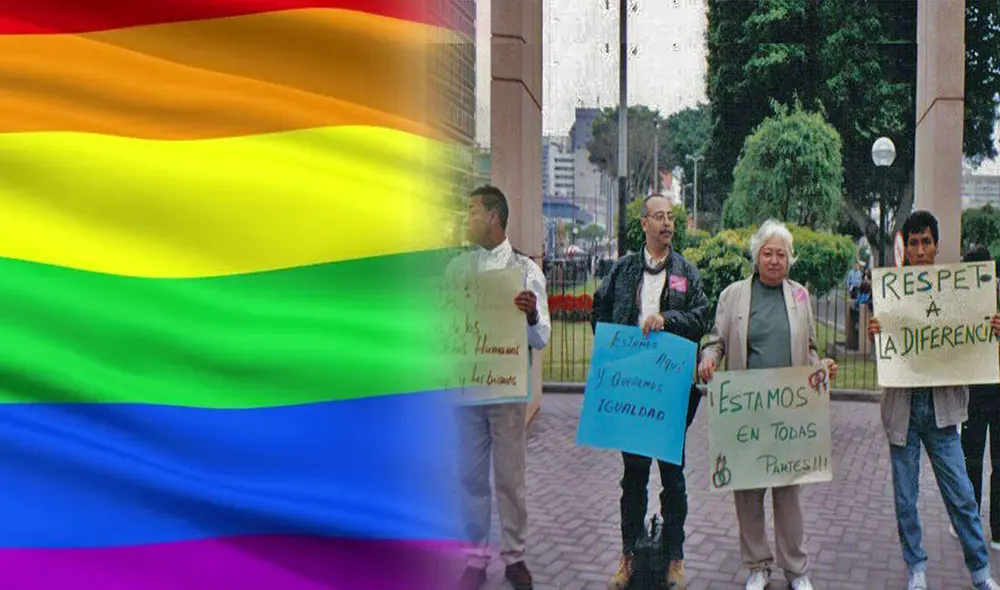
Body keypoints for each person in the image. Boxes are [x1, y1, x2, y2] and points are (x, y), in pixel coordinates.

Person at [698, 220, 838, 590]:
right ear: (756, 255)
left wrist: (819, 367)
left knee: (789, 494)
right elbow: (716, 341)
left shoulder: (800, 297)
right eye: (768, 253)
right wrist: (709, 358)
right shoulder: (733, 296)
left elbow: (809, 348)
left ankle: (796, 569)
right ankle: (758, 565)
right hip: (746, 412)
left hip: (788, 413)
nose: (774, 260)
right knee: (747, 493)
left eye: (781, 254)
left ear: (790, 259)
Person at [869, 210, 1000, 590]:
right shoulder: (890, 292)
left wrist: (990, 329)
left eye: (927, 242)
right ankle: (917, 568)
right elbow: (889, 357)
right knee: (906, 501)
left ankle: (980, 573)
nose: (921, 249)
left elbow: (970, 343)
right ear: (905, 249)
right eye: (914, 243)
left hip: (943, 412)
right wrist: (878, 331)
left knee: (961, 496)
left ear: (936, 246)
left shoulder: (956, 289)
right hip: (903, 413)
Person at [591, 194, 710, 590]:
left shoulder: (686, 272)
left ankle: (675, 558)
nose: (667, 223)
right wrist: (614, 349)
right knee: (633, 478)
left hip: (671, 394)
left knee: (673, 478)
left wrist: (667, 319)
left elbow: (700, 316)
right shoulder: (624, 269)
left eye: (671, 217)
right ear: (644, 224)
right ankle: (627, 557)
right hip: (633, 394)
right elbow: (599, 309)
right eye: (659, 217)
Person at [451, 185, 551, 590]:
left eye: (471, 211)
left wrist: (529, 318)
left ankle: (514, 557)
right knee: (470, 477)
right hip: (467, 389)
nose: (466, 218)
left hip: (507, 392)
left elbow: (542, 336)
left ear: (493, 217)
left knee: (510, 478)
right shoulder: (457, 270)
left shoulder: (526, 272)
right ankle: (474, 557)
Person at [955, 246, 1000, 547]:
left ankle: (998, 529)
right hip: (973, 389)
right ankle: (969, 523)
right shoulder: (960, 300)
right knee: (970, 459)